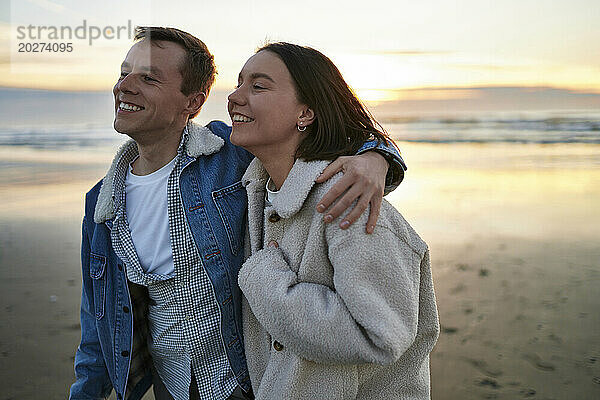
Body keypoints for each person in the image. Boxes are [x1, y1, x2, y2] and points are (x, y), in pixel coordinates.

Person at [69, 28, 407, 400]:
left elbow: (331, 132)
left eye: (148, 78)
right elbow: (97, 324)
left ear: (193, 103)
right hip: (171, 383)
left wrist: (378, 158)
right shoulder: (101, 204)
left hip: (242, 378)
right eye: (123, 73)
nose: (125, 86)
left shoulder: (228, 157)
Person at [229, 42, 440, 399]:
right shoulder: (255, 195)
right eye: (238, 83)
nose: (234, 96)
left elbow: (378, 335)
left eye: (258, 86)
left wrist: (263, 278)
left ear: (306, 113)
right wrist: (379, 153)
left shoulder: (351, 206)